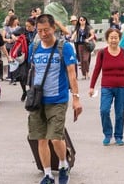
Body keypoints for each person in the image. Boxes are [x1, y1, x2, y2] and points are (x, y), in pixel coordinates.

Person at [28, 14, 82, 184]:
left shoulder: (64, 47)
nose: (43, 34)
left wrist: (76, 98)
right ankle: (47, 174)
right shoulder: (34, 47)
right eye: (40, 30)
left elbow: (72, 74)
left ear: (54, 28)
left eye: (46, 30)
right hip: (38, 101)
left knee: (55, 138)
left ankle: (63, 164)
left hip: (58, 100)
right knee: (41, 138)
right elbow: (33, 71)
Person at [89, 28, 124, 146]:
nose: (114, 40)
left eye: (116, 37)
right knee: (104, 110)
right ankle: (107, 134)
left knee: (120, 112)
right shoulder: (102, 53)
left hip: (122, 86)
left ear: (119, 39)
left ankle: (119, 136)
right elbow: (96, 70)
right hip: (107, 86)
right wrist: (91, 87)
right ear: (107, 39)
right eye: (111, 38)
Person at [70, 15, 96, 80]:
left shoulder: (88, 27)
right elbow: (74, 34)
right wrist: (72, 38)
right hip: (79, 45)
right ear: (79, 21)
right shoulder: (78, 28)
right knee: (81, 60)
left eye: (83, 20)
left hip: (86, 45)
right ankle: (84, 75)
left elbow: (92, 35)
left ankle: (87, 72)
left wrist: (88, 39)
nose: (82, 21)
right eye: (81, 20)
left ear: (85, 20)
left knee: (85, 59)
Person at [3, 15, 21, 82]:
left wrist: (17, 39)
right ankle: (11, 76)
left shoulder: (19, 28)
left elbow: (22, 37)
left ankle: (15, 76)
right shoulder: (6, 28)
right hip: (9, 46)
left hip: (17, 46)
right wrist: (8, 40)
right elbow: (3, 38)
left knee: (16, 60)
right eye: (16, 19)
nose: (17, 21)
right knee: (10, 60)